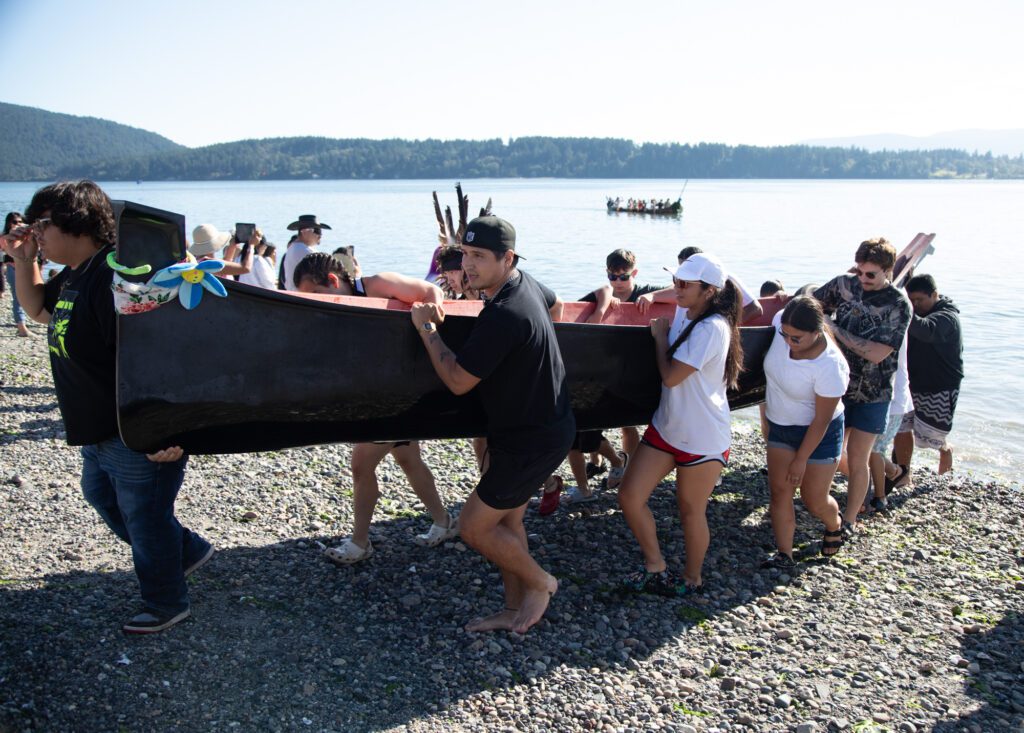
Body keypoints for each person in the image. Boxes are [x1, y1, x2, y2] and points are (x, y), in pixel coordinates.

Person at [2, 181, 213, 634]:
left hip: (134, 428)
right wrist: (24, 263)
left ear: (76, 224)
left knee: (145, 515)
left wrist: (168, 431)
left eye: (42, 225)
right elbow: (39, 310)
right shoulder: (78, 271)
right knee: (102, 495)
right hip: (98, 427)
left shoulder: (114, 277)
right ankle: (188, 553)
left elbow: (163, 359)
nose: (36, 234)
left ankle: (165, 601)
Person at [410, 215, 574, 634]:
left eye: (480, 257)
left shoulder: (504, 314)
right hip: (534, 428)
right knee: (507, 522)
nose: (469, 266)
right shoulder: (525, 284)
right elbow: (555, 304)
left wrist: (428, 330)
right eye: (465, 254)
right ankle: (512, 608)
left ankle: (541, 582)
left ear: (507, 257)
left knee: (474, 526)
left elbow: (459, 381)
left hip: (530, 441)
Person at [290, 252, 459, 563]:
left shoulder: (376, 284)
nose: (314, 302)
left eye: (314, 294)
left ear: (332, 280)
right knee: (409, 459)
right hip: (383, 393)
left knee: (361, 465)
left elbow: (429, 290)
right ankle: (443, 521)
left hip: (398, 397)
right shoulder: (332, 308)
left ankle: (359, 542)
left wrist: (434, 312)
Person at [618, 253, 743, 595]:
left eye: (685, 284)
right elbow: (666, 295)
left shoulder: (713, 328)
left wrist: (659, 340)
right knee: (629, 496)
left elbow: (672, 378)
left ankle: (692, 579)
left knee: (691, 511)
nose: (677, 288)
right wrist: (649, 295)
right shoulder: (687, 309)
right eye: (676, 281)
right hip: (668, 427)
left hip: (703, 438)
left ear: (710, 291)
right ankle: (655, 566)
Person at [813, 238, 911, 536]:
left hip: (874, 393)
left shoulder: (898, 304)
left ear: (888, 271)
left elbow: (878, 352)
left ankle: (851, 519)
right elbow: (810, 303)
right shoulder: (844, 285)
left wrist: (834, 329)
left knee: (859, 458)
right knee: (826, 451)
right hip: (836, 386)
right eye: (860, 272)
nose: (863, 279)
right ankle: (820, 503)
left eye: (871, 274)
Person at [762, 296, 849, 567]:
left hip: (819, 433)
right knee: (780, 491)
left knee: (813, 499)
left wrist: (801, 459)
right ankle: (784, 555)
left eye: (796, 338)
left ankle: (834, 523)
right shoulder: (782, 324)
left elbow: (821, 421)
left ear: (817, 332)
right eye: (784, 335)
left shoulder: (829, 365)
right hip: (781, 425)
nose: (788, 341)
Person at [892, 274, 964, 480]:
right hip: (911, 380)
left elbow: (926, 330)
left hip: (939, 384)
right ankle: (903, 473)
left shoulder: (948, 318)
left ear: (935, 294)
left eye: (919, 300)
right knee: (902, 427)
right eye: (911, 300)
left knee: (931, 433)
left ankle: (945, 450)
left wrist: (903, 306)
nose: (915, 305)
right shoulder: (916, 312)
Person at [636, 245, 763, 323]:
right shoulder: (682, 289)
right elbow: (675, 290)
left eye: (686, 277)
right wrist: (652, 296)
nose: (679, 284)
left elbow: (755, 309)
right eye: (678, 278)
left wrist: (728, 327)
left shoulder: (726, 278)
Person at [281, 214, 330, 291]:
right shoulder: (306, 251)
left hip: (292, 294)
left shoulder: (292, 249)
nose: (319, 236)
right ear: (304, 232)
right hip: (303, 296)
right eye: (316, 231)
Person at [3, 212, 32, 336]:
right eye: (15, 222)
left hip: (26, 268)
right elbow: (8, 253)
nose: (18, 224)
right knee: (17, 297)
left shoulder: (27, 236)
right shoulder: (5, 237)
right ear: (9, 223)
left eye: (21, 222)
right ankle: (22, 327)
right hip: (12, 269)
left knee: (27, 296)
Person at [189, 224, 254, 278]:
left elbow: (224, 267)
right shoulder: (212, 263)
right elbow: (245, 268)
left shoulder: (199, 262)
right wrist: (251, 245)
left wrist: (232, 246)